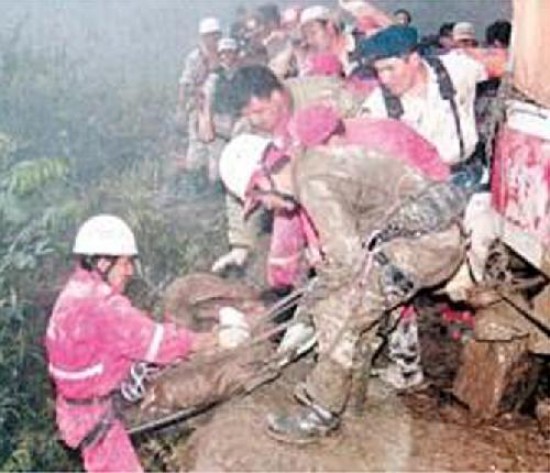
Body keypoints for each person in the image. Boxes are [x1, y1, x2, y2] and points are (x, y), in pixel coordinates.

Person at [219, 132, 465, 443]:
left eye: (260, 199)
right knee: (360, 305)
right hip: (431, 237)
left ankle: (321, 412)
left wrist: (317, 294)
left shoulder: (313, 183)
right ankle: (352, 400)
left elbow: (347, 262)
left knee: (336, 310)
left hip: (426, 246)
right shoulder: (313, 164)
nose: (267, 207)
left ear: (262, 179)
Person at [45, 215, 216, 472]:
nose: (130, 271)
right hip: (96, 416)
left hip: (78, 409)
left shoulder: (75, 291)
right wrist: (216, 339)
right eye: (125, 263)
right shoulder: (102, 306)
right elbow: (162, 344)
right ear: (102, 262)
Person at [211, 64, 363, 277]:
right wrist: (241, 244)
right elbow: (244, 187)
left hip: (354, 188)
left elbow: (367, 134)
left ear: (278, 95)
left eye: (259, 111)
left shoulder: (325, 96)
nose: (255, 121)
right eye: (249, 115)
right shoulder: (248, 132)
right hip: (298, 203)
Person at [175, 17, 221, 181]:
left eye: (215, 35)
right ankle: (195, 179)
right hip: (200, 108)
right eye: (208, 36)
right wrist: (180, 110)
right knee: (197, 147)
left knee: (217, 147)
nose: (212, 40)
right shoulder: (195, 58)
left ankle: (215, 180)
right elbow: (185, 83)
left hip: (221, 110)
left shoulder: (226, 52)